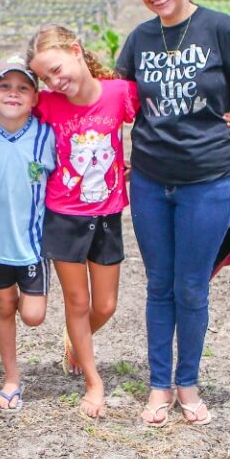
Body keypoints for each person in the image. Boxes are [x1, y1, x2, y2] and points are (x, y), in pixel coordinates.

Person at [114, 0, 230, 427]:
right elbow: (117, 101)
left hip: (207, 182)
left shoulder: (220, 28)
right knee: (159, 285)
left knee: (192, 286)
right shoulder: (140, 39)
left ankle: (188, 384)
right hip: (150, 182)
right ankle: (158, 386)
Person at [26, 24, 139, 420]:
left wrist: (218, 118)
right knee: (77, 302)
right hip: (64, 217)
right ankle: (94, 381)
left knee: (105, 305)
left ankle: (76, 340)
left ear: (76, 51)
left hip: (107, 215)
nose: (55, 82)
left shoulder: (120, 94)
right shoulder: (47, 104)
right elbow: (9, 108)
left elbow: (159, 120)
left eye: (57, 69)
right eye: (46, 77)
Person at [0, 56, 56, 412]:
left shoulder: (46, 136)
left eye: (23, 88)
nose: (13, 93)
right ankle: (11, 379)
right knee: (7, 305)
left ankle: (0, 306)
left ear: (35, 98)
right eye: (5, 86)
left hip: (31, 244)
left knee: (34, 316)